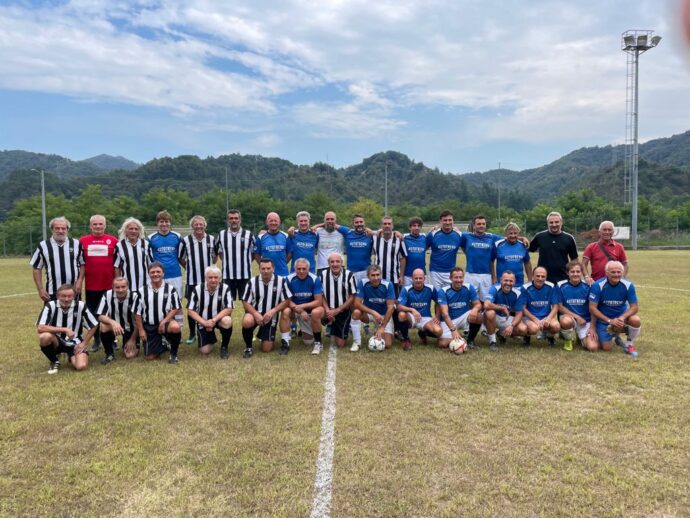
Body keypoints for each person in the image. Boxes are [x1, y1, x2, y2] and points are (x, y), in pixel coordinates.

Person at [36, 283, 98, 374]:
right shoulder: (50, 305)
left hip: (75, 342)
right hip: (57, 341)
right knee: (44, 337)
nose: (66, 299)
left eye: (70, 296)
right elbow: (40, 327)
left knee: (81, 366)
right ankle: (54, 360)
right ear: (57, 296)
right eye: (63, 296)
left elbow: (94, 324)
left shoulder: (80, 305)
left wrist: (84, 343)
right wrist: (65, 329)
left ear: (74, 296)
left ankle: (71, 356)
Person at [79, 214, 117, 352]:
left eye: (100, 224)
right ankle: (96, 340)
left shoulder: (113, 240)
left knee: (109, 314)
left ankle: (112, 340)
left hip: (109, 285)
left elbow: (117, 263)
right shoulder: (82, 241)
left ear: (105, 225)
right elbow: (80, 263)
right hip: (91, 286)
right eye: (95, 224)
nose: (98, 226)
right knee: (93, 314)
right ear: (90, 226)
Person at [241, 258, 292, 357]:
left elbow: (287, 300)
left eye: (268, 268)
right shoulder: (252, 281)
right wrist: (255, 314)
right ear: (259, 269)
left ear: (273, 268)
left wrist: (273, 311)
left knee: (266, 349)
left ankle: (263, 333)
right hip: (255, 314)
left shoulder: (281, 281)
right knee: (247, 321)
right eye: (263, 268)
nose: (266, 271)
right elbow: (246, 302)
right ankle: (248, 347)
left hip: (270, 317)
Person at [588, 260, 641, 357]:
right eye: (613, 272)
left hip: (621, 318)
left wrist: (622, 317)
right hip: (604, 320)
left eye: (619, 272)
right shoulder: (597, 285)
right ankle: (614, 335)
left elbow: (635, 307)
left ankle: (629, 344)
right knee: (606, 348)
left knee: (635, 320)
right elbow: (592, 308)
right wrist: (609, 320)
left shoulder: (628, 285)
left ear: (623, 272)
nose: (616, 274)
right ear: (606, 273)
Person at [134, 261, 182, 364]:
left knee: (175, 327)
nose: (155, 274)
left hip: (165, 323)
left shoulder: (171, 289)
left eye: (158, 272)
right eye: (152, 272)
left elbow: (175, 308)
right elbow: (137, 313)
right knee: (150, 357)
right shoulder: (142, 291)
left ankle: (173, 355)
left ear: (163, 273)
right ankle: (164, 343)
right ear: (149, 274)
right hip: (149, 326)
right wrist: (141, 330)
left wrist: (164, 321)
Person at [179, 215, 217, 344]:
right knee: (191, 306)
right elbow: (181, 258)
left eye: (201, 224)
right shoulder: (186, 240)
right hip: (192, 280)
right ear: (192, 226)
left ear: (205, 225)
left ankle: (211, 329)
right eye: (196, 224)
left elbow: (215, 257)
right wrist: (189, 268)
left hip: (208, 280)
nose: (199, 226)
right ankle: (192, 333)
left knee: (210, 304)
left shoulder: (212, 239)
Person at [30, 216, 84, 302]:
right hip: (52, 291)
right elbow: (36, 268)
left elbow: (82, 264)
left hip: (73, 290)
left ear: (67, 229)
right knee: (53, 314)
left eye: (63, 228)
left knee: (74, 315)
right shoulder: (43, 245)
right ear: (52, 229)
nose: (60, 231)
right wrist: (40, 289)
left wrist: (80, 281)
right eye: (57, 228)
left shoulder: (77, 244)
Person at [280, 258, 325, 354]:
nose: (301, 271)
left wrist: (303, 307)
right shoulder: (288, 279)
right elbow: (287, 301)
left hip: (309, 311)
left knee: (308, 342)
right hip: (294, 309)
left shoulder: (314, 279)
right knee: (285, 311)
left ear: (308, 268)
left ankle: (310, 336)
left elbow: (318, 301)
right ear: (294, 268)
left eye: (304, 269)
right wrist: (300, 310)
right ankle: (285, 342)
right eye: (299, 268)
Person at [187, 265, 234, 358]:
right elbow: (190, 310)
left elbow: (229, 308)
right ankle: (210, 336)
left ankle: (224, 347)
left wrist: (213, 320)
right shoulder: (197, 289)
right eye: (210, 277)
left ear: (220, 278)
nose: (213, 280)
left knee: (227, 321)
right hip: (203, 321)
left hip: (218, 319)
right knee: (205, 351)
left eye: (216, 277)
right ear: (205, 278)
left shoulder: (225, 288)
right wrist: (204, 323)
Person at [148, 210, 184, 327]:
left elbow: (181, 256)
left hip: (175, 274)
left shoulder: (177, 236)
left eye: (167, 221)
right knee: (159, 302)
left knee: (177, 302)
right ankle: (161, 326)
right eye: (161, 221)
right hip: (158, 276)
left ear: (170, 223)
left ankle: (178, 328)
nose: (164, 224)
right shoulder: (151, 238)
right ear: (157, 223)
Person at [351, 265, 396, 351]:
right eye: (373, 275)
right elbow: (357, 303)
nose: (376, 278)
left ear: (381, 275)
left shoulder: (388, 284)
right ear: (368, 276)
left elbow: (390, 307)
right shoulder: (363, 283)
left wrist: (382, 327)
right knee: (356, 313)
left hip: (383, 315)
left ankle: (380, 329)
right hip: (369, 314)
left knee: (387, 344)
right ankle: (357, 342)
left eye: (378, 275)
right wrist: (373, 312)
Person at [396, 268, 442, 350]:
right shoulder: (406, 289)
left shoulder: (431, 288)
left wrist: (437, 316)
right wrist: (412, 310)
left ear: (424, 278)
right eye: (416, 278)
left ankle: (422, 332)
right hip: (411, 317)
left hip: (425, 318)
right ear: (412, 279)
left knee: (438, 332)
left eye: (420, 278)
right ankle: (406, 340)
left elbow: (438, 302)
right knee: (401, 315)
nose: (418, 280)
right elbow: (399, 306)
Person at [215, 209, 256, 300]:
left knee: (247, 302)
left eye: (236, 218)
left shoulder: (249, 235)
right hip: (227, 275)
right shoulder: (222, 234)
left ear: (240, 220)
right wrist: (227, 260)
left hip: (245, 275)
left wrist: (245, 261)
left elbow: (254, 253)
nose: (234, 220)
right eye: (231, 218)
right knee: (227, 302)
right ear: (228, 220)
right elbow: (219, 252)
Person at [319, 252, 358, 349]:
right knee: (316, 313)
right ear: (328, 263)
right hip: (328, 310)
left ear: (342, 262)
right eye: (332, 262)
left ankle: (335, 326)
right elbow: (321, 295)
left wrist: (337, 310)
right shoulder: (322, 275)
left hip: (343, 310)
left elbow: (352, 296)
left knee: (340, 345)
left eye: (337, 261)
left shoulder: (349, 275)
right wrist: (328, 310)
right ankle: (316, 339)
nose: (335, 264)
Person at [437, 267, 483, 349]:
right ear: (450, 278)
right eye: (456, 277)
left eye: (460, 277)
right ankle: (460, 338)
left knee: (478, 316)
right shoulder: (443, 291)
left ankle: (470, 340)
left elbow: (478, 304)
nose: (459, 280)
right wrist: (453, 330)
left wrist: (475, 309)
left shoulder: (469, 287)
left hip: (463, 316)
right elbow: (444, 314)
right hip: (449, 320)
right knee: (442, 344)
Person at [97, 276, 139, 362]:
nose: (120, 290)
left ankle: (129, 342)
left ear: (128, 287)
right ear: (113, 287)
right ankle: (109, 354)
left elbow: (139, 321)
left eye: (123, 287)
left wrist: (132, 340)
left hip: (131, 328)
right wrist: (112, 322)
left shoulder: (134, 297)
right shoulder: (107, 295)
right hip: (115, 326)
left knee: (129, 355)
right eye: (117, 287)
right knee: (104, 327)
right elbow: (100, 316)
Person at [557, 260, 597, 352]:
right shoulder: (560, 285)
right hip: (570, 318)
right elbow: (560, 307)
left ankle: (581, 338)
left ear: (582, 272)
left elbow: (593, 308)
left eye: (578, 271)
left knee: (593, 348)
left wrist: (592, 327)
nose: (575, 274)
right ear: (567, 273)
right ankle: (568, 340)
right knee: (565, 321)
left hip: (585, 321)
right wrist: (577, 317)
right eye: (572, 272)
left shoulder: (589, 286)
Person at [460, 214, 501, 301]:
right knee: (469, 300)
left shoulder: (491, 237)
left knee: (485, 301)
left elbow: (508, 238)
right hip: (471, 274)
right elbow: (455, 236)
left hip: (486, 275)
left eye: (483, 224)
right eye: (479, 224)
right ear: (474, 226)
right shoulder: (466, 236)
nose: (481, 226)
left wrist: (523, 238)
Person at [528, 211, 578, 284]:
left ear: (561, 222)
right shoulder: (539, 237)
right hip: (543, 279)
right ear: (547, 223)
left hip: (563, 279)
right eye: (551, 222)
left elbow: (574, 260)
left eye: (556, 222)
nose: (554, 225)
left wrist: (574, 276)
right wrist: (522, 238)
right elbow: (528, 249)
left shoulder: (569, 238)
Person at [484, 271, 528, 351]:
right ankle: (492, 342)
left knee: (523, 329)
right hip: (495, 316)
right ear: (501, 280)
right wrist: (502, 308)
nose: (508, 283)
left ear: (514, 282)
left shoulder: (518, 293)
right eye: (506, 280)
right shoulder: (494, 288)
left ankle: (501, 334)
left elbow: (519, 313)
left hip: (507, 318)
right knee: (490, 313)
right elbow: (486, 305)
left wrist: (512, 325)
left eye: (511, 281)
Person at [521, 266, 561, 347]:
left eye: (543, 276)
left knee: (556, 326)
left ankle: (550, 336)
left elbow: (555, 306)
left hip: (545, 316)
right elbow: (523, 308)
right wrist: (534, 319)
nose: (540, 278)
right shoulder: (525, 288)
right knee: (534, 328)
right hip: (530, 317)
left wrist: (548, 319)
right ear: (533, 276)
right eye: (538, 276)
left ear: (546, 277)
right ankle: (527, 336)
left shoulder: (551, 286)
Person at [426, 210, 462, 289]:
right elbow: (423, 249)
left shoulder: (459, 235)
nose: (448, 222)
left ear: (453, 221)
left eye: (450, 220)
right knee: (437, 298)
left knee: (450, 297)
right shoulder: (433, 234)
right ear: (440, 221)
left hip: (451, 273)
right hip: (435, 272)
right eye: (445, 220)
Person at [114, 217, 151, 290]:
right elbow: (117, 267)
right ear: (125, 230)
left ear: (139, 231)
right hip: (127, 286)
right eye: (131, 229)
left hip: (145, 285)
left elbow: (151, 264)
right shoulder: (119, 246)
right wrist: (119, 282)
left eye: (136, 229)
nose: (133, 231)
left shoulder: (146, 244)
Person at [337, 214, 373, 283]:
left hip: (366, 272)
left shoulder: (370, 234)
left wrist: (396, 232)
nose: (359, 224)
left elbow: (383, 232)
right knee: (351, 293)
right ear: (353, 225)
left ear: (364, 223)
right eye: (356, 222)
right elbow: (332, 224)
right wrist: (316, 226)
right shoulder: (348, 232)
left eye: (361, 222)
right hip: (351, 272)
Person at [494, 222, 532, 287]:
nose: (513, 235)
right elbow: (491, 261)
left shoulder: (523, 245)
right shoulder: (498, 245)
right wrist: (493, 277)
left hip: (519, 283)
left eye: (515, 233)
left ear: (518, 234)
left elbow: (527, 262)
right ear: (506, 234)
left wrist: (530, 279)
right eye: (510, 233)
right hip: (502, 283)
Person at [255, 212, 292, 277]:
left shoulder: (285, 236)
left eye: (275, 221)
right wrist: (264, 265)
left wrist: (282, 263)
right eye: (271, 221)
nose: (273, 223)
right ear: (267, 222)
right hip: (266, 274)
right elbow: (257, 255)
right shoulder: (260, 237)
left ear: (279, 222)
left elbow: (289, 253)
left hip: (283, 273)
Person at [403, 217, 428, 286]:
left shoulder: (425, 238)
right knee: (407, 295)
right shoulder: (404, 238)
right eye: (414, 226)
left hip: (422, 275)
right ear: (409, 227)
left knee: (423, 295)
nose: (417, 228)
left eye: (418, 226)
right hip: (408, 275)